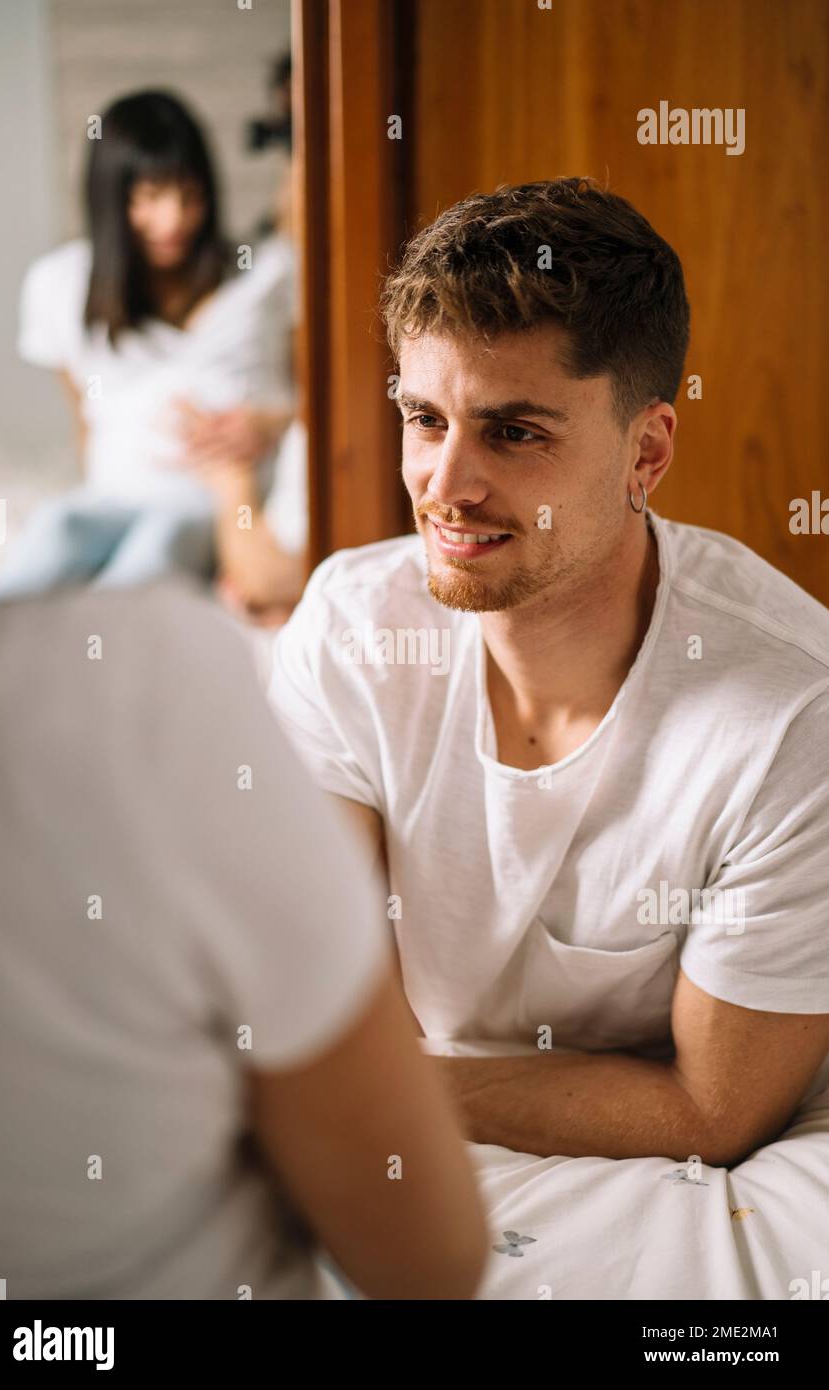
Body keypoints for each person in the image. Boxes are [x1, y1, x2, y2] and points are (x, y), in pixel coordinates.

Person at [267, 177, 829, 1299]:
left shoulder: (786, 714)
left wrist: (386, 1089)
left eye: (513, 432)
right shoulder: (346, 627)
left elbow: (713, 1110)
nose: (444, 484)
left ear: (645, 454)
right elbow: (327, 1004)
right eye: (424, 419)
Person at [0, 580, 488, 1299]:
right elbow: (432, 1263)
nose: (450, 483)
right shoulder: (139, 686)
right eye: (422, 453)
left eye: (519, 452)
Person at [0, 90, 301, 600]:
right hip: (113, 496)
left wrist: (266, 423)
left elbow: (320, 404)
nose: (173, 219)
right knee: (53, 531)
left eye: (188, 195)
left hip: (212, 501)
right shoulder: (60, 284)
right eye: (148, 197)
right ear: (110, 200)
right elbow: (83, 423)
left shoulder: (266, 272)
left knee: (151, 558)